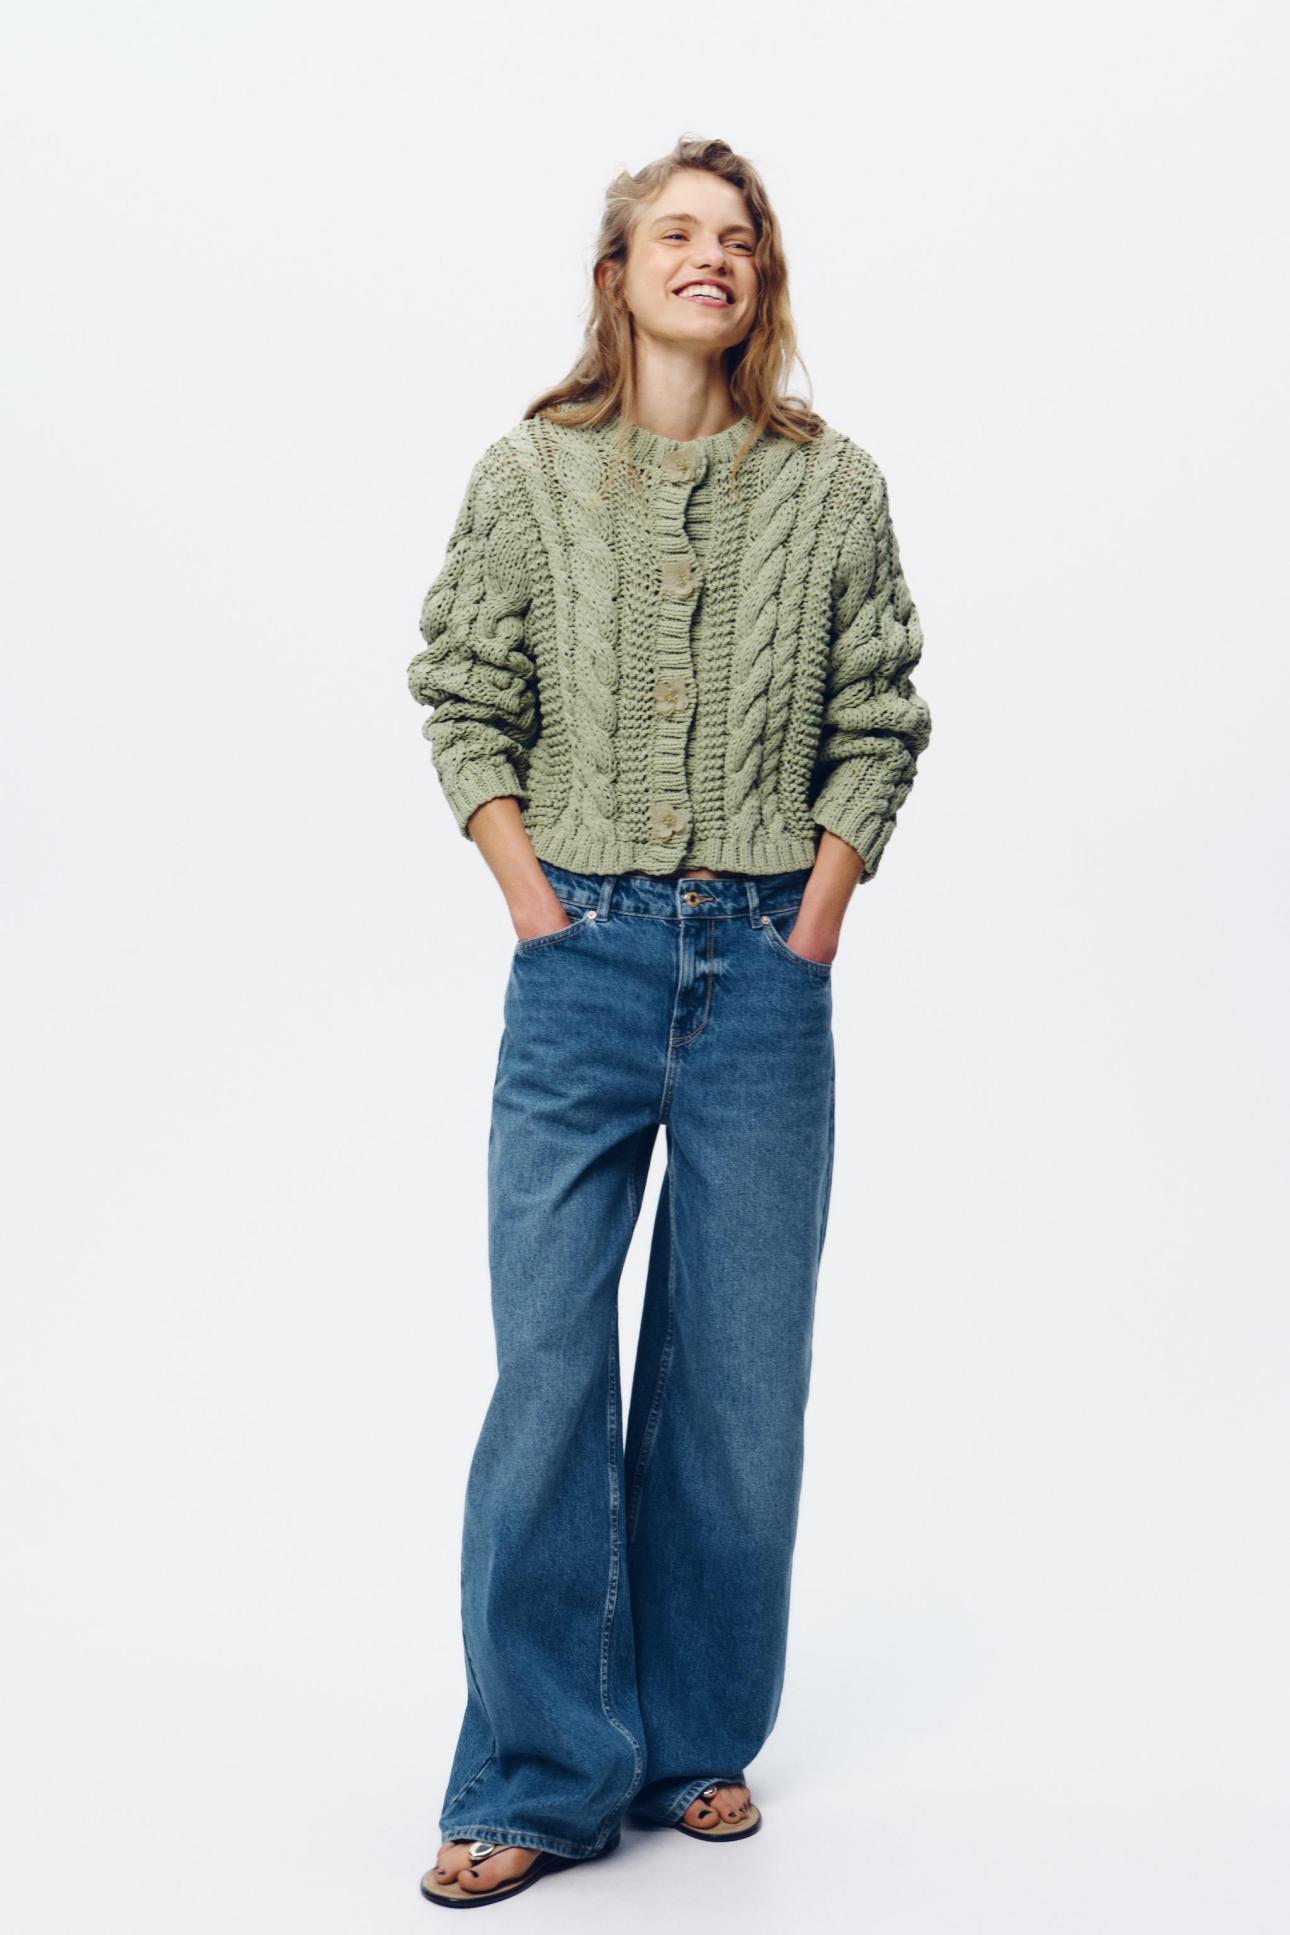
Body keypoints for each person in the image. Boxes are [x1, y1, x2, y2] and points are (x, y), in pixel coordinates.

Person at [407, 134, 932, 1909]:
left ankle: (692, 1741)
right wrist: (535, 904)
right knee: (549, 1371)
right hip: (582, 963)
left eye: (737, 238)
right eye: (674, 234)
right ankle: (536, 1772)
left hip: (764, 975)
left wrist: (814, 923)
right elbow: (461, 693)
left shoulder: (833, 487)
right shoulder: (530, 474)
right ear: (617, 275)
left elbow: (879, 713)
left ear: (757, 282)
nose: (709, 256)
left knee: (734, 1386)